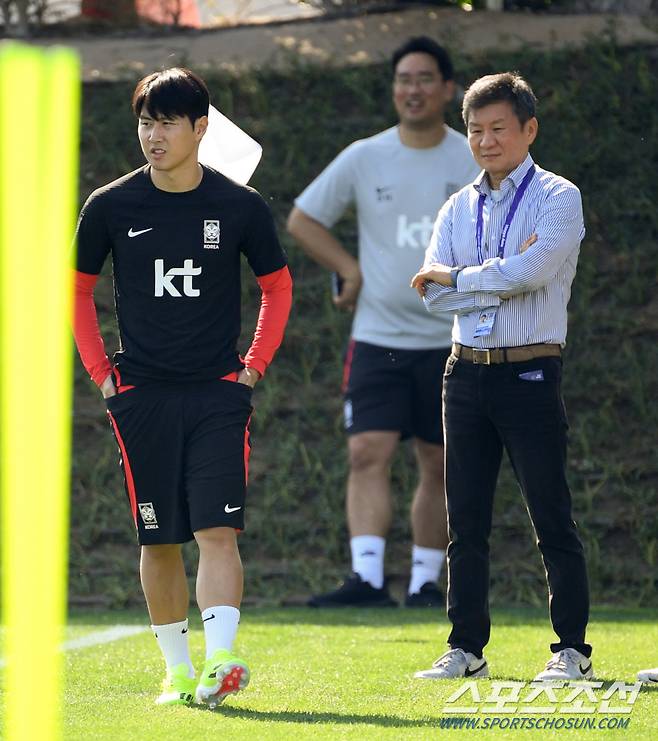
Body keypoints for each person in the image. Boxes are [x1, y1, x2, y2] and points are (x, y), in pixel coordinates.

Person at [72, 68, 292, 706]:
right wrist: (103, 376)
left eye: (167, 121)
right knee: (159, 537)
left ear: (201, 128)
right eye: (146, 121)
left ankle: (220, 659)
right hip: (140, 396)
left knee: (216, 532)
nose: (153, 134)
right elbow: (77, 290)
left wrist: (251, 368)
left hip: (219, 393)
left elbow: (277, 287)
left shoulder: (240, 206)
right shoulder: (110, 206)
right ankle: (175, 668)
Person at [411, 72, 592, 680]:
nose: (486, 141)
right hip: (464, 374)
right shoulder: (457, 207)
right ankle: (465, 649)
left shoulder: (559, 196)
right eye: (475, 130)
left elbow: (537, 271)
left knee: (550, 513)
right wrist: (496, 273)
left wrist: (462, 278)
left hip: (531, 370)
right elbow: (430, 297)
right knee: (465, 519)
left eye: (498, 128)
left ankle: (572, 650)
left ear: (529, 128)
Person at [287, 37, 480, 608]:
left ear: (448, 89)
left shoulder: (472, 157)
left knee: (438, 459)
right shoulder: (364, 156)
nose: (412, 89)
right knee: (366, 451)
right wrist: (348, 267)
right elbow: (303, 219)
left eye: (424, 78)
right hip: (376, 337)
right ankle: (367, 579)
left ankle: (425, 584)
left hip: (452, 340)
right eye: (403, 79)